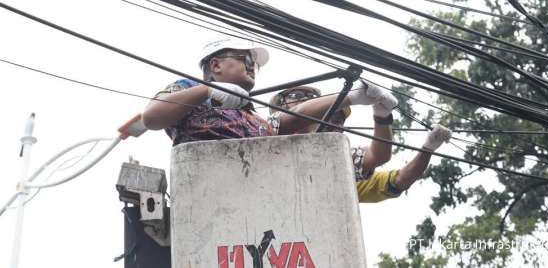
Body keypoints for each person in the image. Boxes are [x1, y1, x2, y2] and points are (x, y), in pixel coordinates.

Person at [270, 84, 452, 202]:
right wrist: (352, 97)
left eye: (312, 98)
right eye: (296, 95)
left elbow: (383, 162)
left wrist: (382, 116)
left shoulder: (329, 161)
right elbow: (290, 121)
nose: (305, 99)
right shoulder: (259, 132)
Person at [142, 38, 305, 144]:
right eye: (247, 60)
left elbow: (296, 115)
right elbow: (151, 118)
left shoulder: (252, 116)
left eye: (254, 65)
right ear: (216, 65)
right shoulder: (190, 89)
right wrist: (208, 90)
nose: (251, 68)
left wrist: (331, 99)